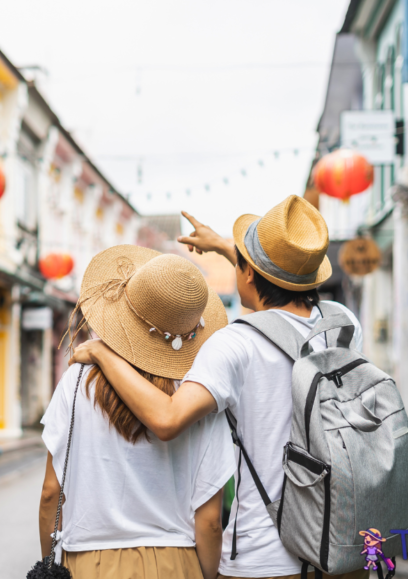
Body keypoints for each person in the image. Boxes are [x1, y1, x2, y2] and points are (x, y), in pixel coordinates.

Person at [70, 196, 367, 579]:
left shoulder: (235, 344)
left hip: (265, 558)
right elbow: (276, 295)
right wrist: (229, 249)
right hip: (342, 546)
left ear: (247, 274)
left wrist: (102, 353)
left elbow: (167, 419)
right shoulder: (343, 325)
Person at [39, 245, 235, 579]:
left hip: (89, 562)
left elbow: (50, 493)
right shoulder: (197, 396)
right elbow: (210, 521)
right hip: (176, 563)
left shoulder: (77, 382)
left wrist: (48, 563)